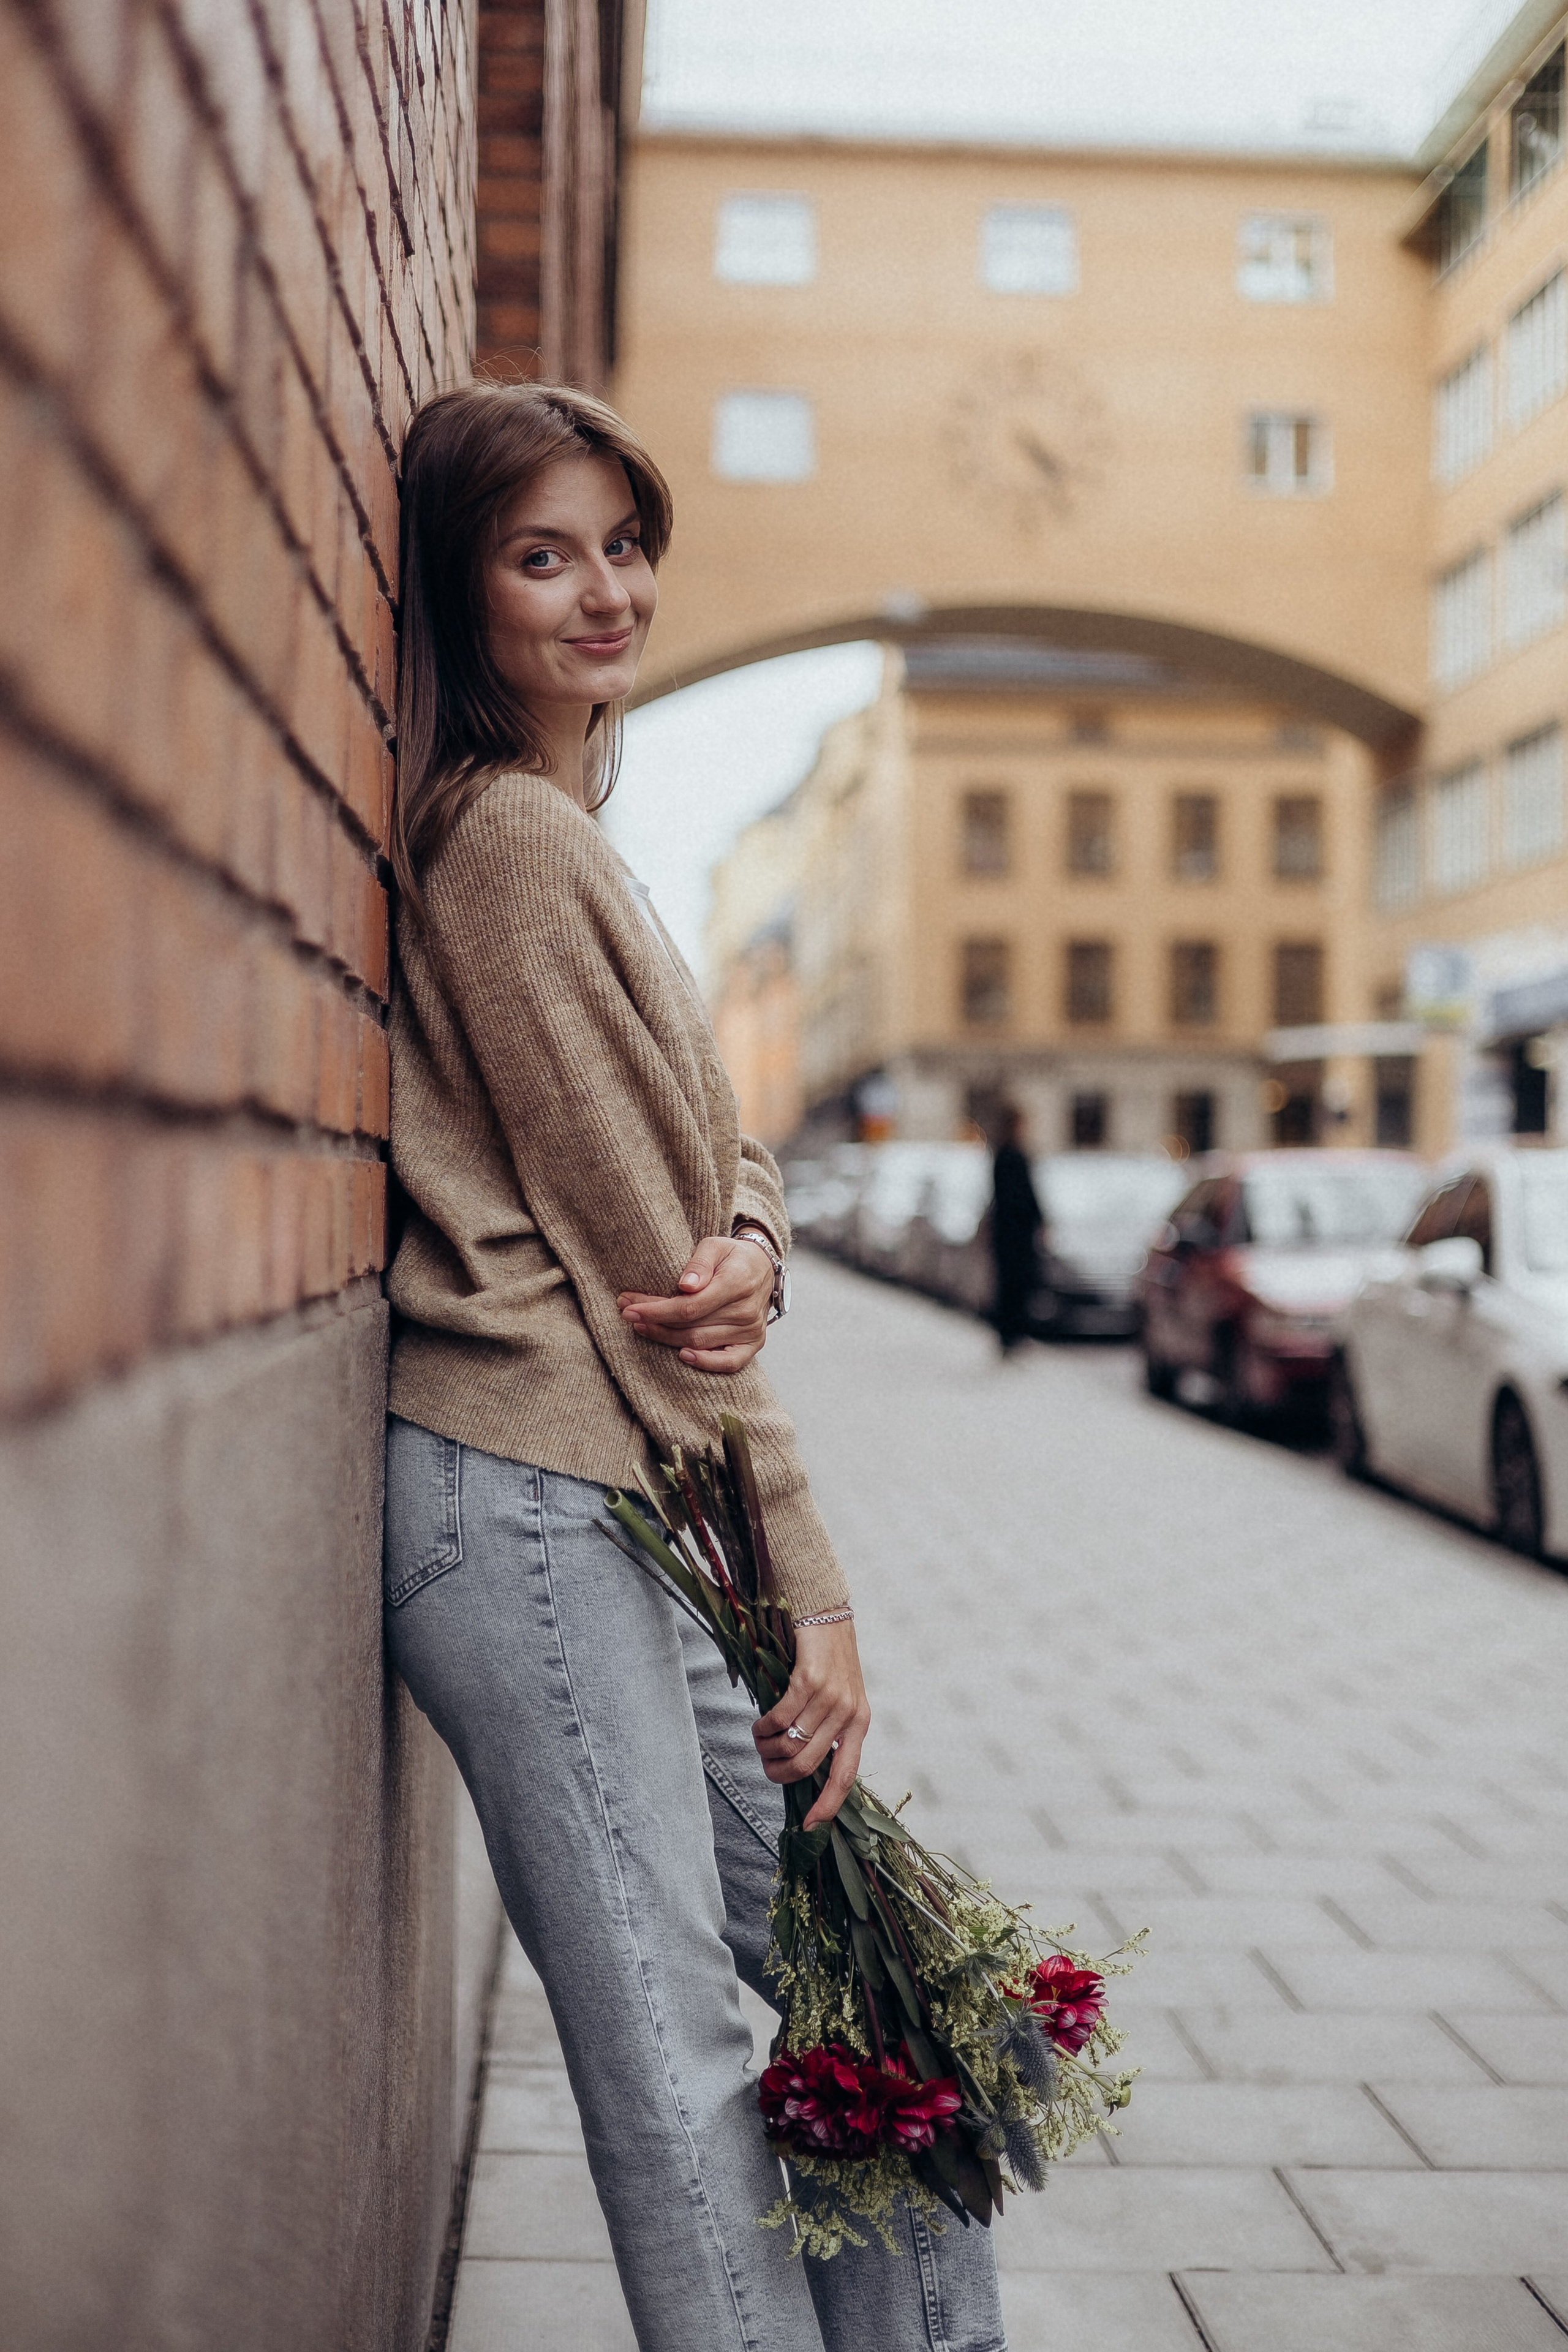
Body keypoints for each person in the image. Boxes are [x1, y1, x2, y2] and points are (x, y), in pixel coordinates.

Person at [382, 382, 1006, 2352]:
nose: (603, 593)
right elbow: (661, 1271)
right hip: (536, 1491)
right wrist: (805, 1576)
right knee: (672, 2059)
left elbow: (712, 1155)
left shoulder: (579, 841)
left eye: (621, 545)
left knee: (880, 1979)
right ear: (458, 593)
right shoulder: (506, 848)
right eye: (539, 554)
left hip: (618, 1494)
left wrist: (757, 1224)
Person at [990, 1107, 1042, 1355]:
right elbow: (1024, 1196)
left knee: (1012, 1284)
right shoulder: (1012, 1156)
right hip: (1016, 1233)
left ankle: (1011, 1333)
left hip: (1009, 1232)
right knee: (1014, 1284)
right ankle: (1011, 1334)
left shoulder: (1004, 1154)